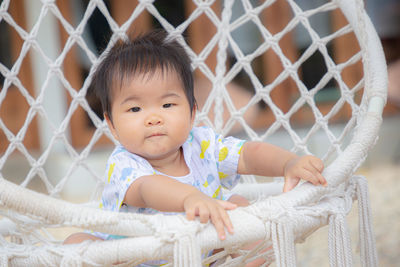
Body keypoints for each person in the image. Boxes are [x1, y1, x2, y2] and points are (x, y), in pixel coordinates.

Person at [64, 29, 327, 266]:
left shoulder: (202, 145)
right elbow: (147, 189)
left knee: (237, 205)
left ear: (191, 114)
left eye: (167, 105)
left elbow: (248, 154)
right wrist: (190, 198)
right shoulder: (125, 162)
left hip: (202, 253)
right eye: (135, 109)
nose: (153, 118)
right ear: (111, 125)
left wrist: (288, 164)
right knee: (76, 243)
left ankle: (252, 262)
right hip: (132, 258)